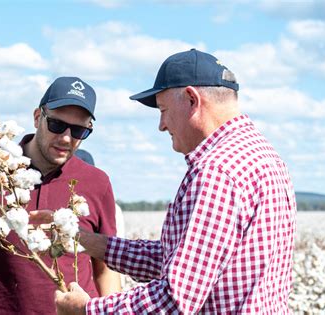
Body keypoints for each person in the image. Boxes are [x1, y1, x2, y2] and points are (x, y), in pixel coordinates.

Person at [53, 49, 297, 314]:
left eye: (163, 110)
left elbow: (175, 300)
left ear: (192, 100)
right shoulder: (263, 157)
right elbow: (187, 262)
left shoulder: (216, 172)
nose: (161, 124)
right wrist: (88, 242)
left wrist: (88, 310)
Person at [0, 77, 121, 314]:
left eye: (79, 130)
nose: (66, 138)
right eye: (56, 124)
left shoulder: (97, 183)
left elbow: (105, 270)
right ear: (37, 117)